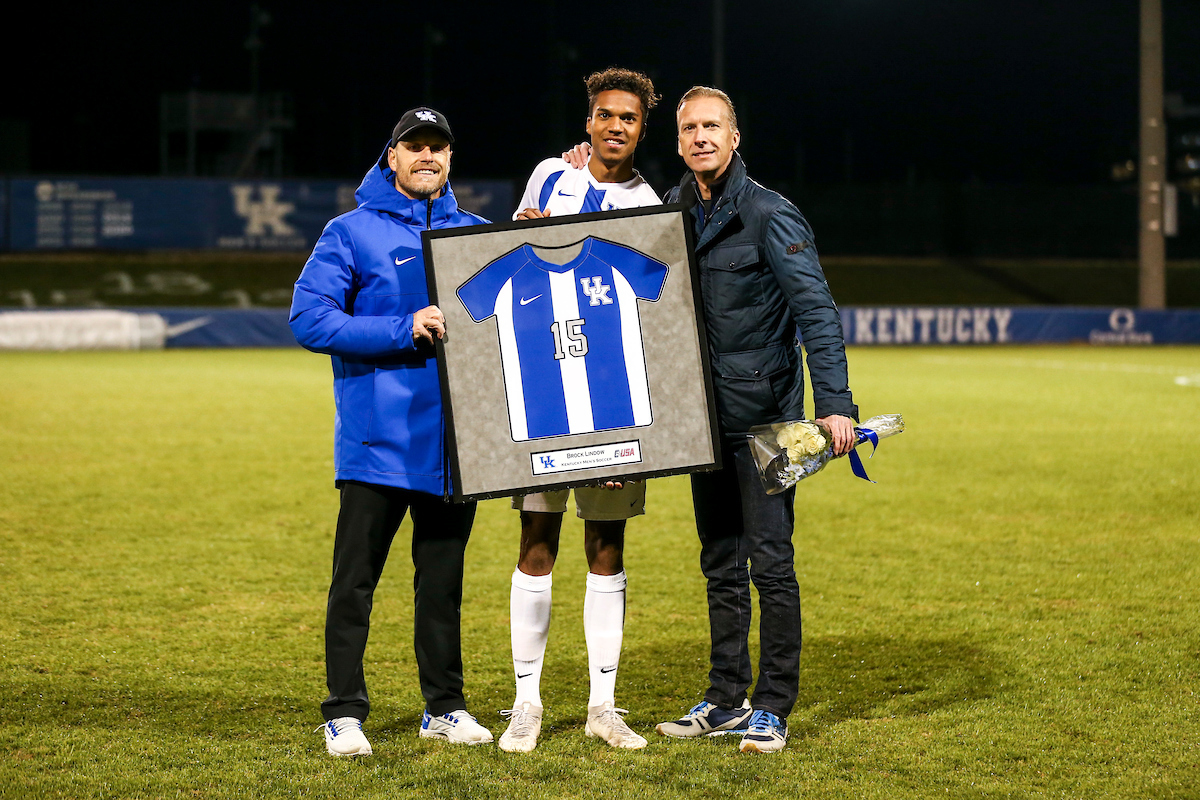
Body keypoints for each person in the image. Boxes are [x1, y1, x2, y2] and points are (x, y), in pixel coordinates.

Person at [653, 87, 858, 754]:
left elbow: (819, 314)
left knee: (770, 565)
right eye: (690, 128)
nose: (701, 137)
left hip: (767, 424)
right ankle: (724, 698)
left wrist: (835, 405)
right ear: (679, 140)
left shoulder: (770, 212)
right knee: (718, 565)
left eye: (712, 126)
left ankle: (772, 706)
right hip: (702, 423)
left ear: (735, 137)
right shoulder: (675, 208)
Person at [290, 107, 494, 757]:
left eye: (439, 147)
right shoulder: (350, 233)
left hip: (453, 449)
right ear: (392, 157)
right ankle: (343, 712)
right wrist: (400, 328)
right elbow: (309, 319)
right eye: (415, 146)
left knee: (442, 588)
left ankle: (445, 707)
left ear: (450, 160)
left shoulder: (477, 236)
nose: (428, 156)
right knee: (354, 585)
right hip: (377, 446)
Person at [497, 67, 661, 754]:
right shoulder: (549, 177)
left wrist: (634, 438)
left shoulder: (652, 203)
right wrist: (520, 232)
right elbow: (506, 270)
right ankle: (525, 703)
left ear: (641, 127)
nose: (616, 125)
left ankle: (603, 705)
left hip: (614, 403)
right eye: (605, 114)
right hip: (544, 399)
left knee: (606, 547)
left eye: (628, 117)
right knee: (537, 541)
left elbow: (649, 317)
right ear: (587, 121)